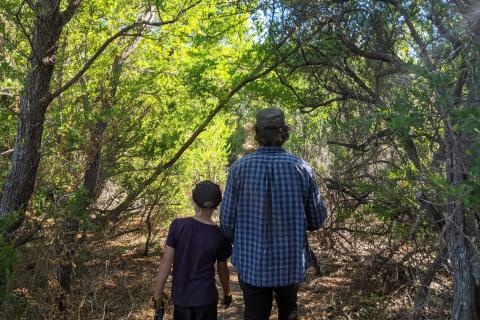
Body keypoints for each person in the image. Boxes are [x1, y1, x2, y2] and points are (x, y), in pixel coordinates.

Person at [220, 107, 327, 320]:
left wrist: (245, 239)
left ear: (257, 134)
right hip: (289, 261)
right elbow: (316, 220)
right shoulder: (302, 168)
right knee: (289, 311)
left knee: (255, 313)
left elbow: (226, 222)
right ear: (284, 133)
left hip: (252, 263)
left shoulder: (239, 169)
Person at [153, 180, 233, 320]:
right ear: (217, 205)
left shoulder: (178, 226)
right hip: (206, 299)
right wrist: (227, 292)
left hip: (182, 298)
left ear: (194, 201)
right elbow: (222, 269)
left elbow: (166, 262)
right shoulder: (220, 234)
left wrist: (157, 293)